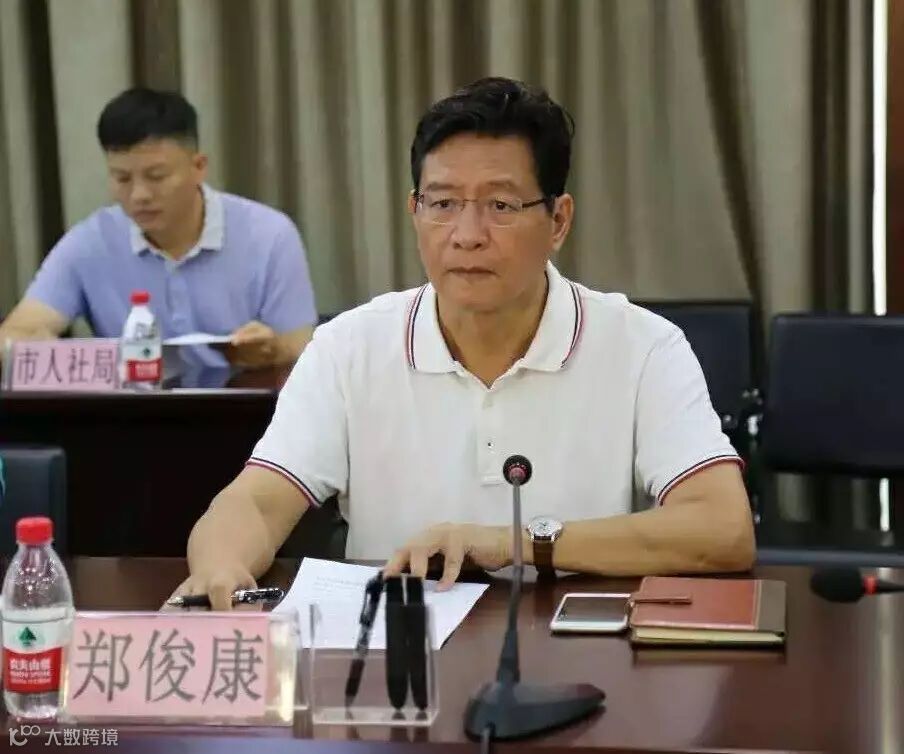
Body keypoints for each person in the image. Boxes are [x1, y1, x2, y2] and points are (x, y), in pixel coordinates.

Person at [177, 77, 755, 609]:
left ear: (558, 221)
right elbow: (256, 502)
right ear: (414, 211)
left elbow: (722, 528)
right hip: (397, 660)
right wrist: (220, 566)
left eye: (500, 206)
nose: (467, 235)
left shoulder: (644, 347)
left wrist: (514, 543)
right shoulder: (347, 348)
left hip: (582, 656)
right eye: (443, 203)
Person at [0, 88, 317, 369]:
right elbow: (16, 332)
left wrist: (272, 350)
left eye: (156, 177)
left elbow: (302, 349)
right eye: (122, 178)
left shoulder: (269, 235)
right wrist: (30, 346)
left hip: (247, 410)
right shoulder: (90, 242)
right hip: (131, 411)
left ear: (198, 167)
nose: (139, 195)